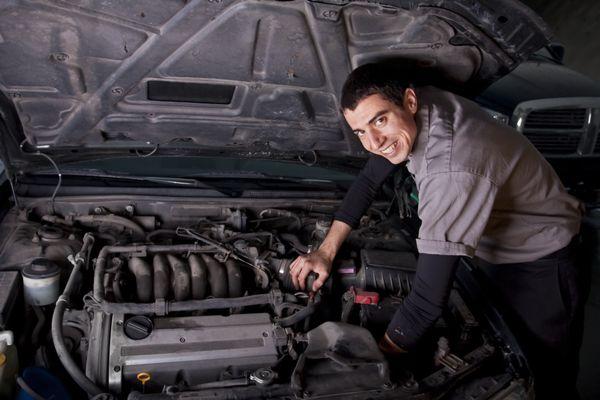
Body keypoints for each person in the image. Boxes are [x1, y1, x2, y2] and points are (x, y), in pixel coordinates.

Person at [289, 63, 584, 399]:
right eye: (360, 132)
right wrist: (325, 252)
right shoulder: (410, 111)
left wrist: (371, 365)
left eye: (379, 120)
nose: (373, 142)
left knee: (546, 373)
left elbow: (426, 303)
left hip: (541, 258)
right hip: (488, 242)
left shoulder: (450, 171)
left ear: (410, 102)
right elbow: (371, 179)